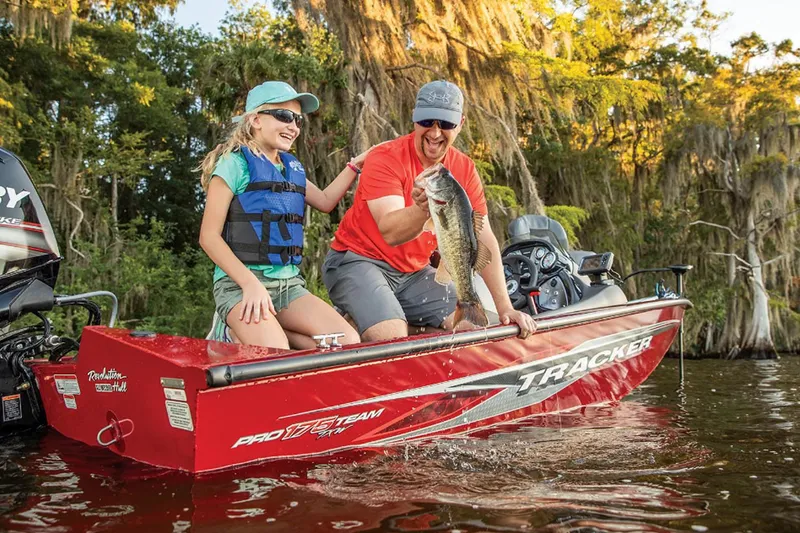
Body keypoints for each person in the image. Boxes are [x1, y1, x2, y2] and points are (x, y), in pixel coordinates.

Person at [322, 80, 537, 342]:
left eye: (445, 124)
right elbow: (390, 231)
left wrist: (506, 307)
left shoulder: (464, 168)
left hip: (413, 272)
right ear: (414, 119)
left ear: (460, 124)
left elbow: (484, 237)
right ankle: (375, 320)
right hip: (357, 260)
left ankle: (383, 319)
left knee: (478, 328)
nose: (435, 133)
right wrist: (423, 209)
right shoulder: (385, 157)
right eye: (427, 121)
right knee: (392, 338)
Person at [199, 81, 367, 349]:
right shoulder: (234, 164)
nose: (294, 126)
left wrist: (355, 165)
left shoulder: (291, 167)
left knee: (345, 342)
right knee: (277, 357)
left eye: (298, 120)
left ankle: (260, 333)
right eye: (284, 116)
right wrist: (250, 285)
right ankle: (232, 331)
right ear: (255, 119)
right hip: (240, 285)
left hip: (288, 286)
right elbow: (208, 237)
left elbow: (324, 201)